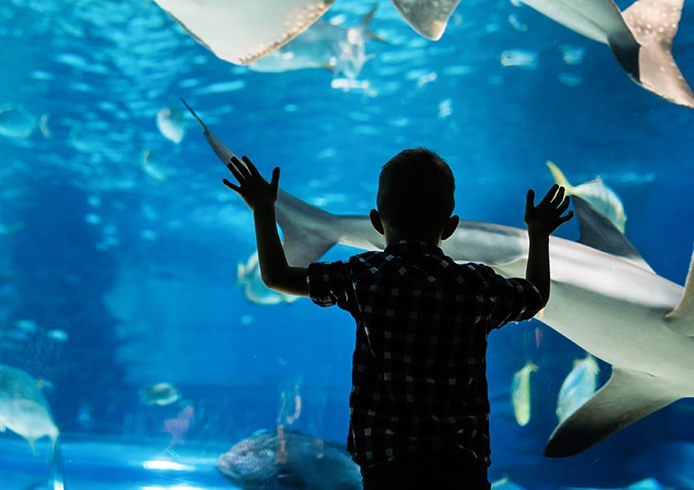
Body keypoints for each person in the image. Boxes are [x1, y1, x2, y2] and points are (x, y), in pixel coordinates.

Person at [223, 149, 573, 490]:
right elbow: (535, 296)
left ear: (376, 222)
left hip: (387, 461)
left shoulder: (364, 276)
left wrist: (263, 209)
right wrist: (539, 234)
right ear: (451, 227)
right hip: (461, 461)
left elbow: (276, 276)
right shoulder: (476, 284)